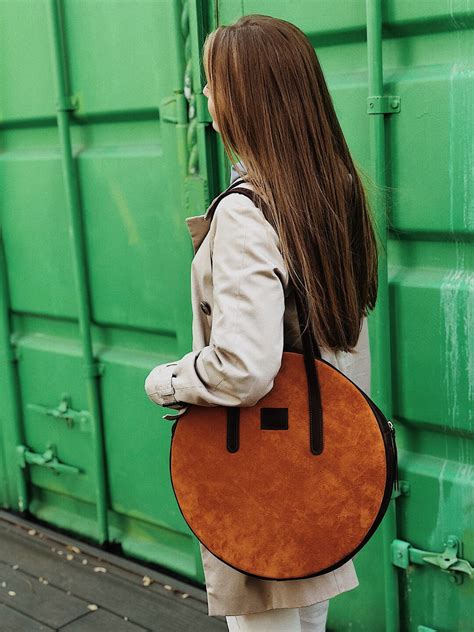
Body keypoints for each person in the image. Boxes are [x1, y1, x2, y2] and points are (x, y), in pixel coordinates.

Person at [145, 13, 379, 631]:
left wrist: (168, 381)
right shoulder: (333, 190)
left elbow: (244, 370)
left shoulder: (248, 214)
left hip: (259, 468)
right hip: (322, 461)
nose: (203, 95)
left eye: (211, 81)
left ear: (247, 97)